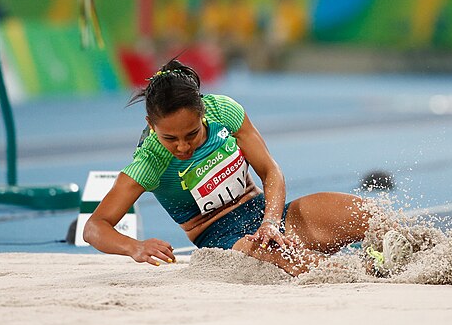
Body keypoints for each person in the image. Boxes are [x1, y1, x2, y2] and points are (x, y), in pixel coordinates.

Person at [83, 59, 373, 276]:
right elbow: (95, 227)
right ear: (151, 126)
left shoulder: (225, 111)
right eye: (170, 138)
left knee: (368, 215)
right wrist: (135, 247)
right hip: (228, 241)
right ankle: (365, 276)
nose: (182, 147)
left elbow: (270, 171)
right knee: (309, 262)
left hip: (271, 218)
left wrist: (271, 222)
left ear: (203, 113)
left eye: (191, 134)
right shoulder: (150, 160)